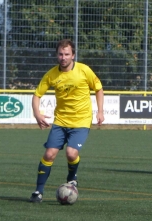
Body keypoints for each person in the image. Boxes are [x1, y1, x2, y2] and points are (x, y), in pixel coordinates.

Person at [30, 39, 104, 202]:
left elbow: (98, 89)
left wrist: (100, 111)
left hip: (81, 121)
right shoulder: (51, 74)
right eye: (60, 54)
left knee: (71, 153)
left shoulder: (84, 70)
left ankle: (72, 177)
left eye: (67, 54)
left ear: (73, 55)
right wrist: (37, 113)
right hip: (61, 121)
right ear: (57, 55)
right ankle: (38, 192)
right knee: (49, 154)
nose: (63, 57)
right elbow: (37, 95)